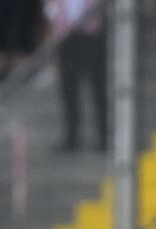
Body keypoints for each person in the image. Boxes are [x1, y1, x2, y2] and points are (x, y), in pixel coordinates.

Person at [45, 0, 106, 151]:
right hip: (66, 37)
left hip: (91, 36)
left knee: (98, 88)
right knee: (69, 89)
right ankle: (72, 136)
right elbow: (51, 10)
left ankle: (104, 135)